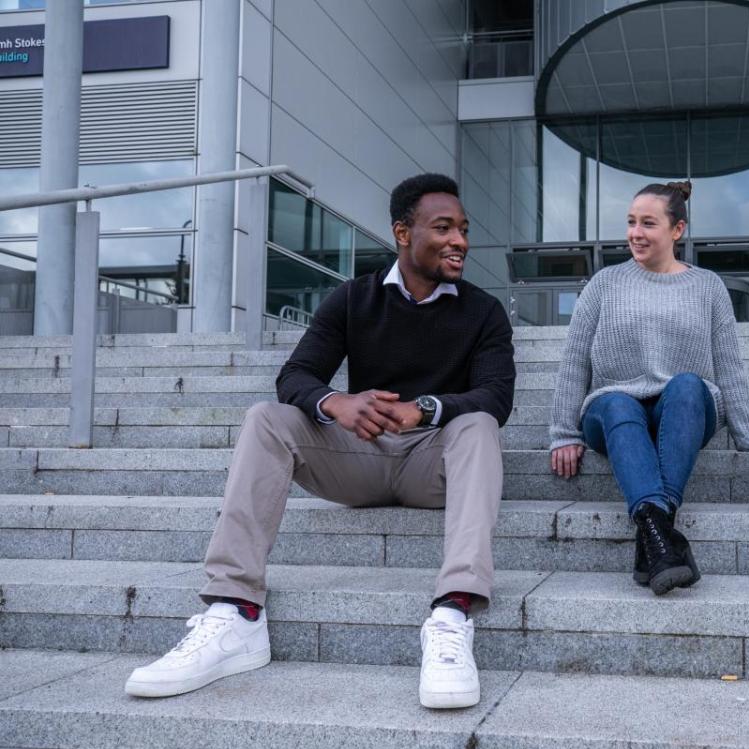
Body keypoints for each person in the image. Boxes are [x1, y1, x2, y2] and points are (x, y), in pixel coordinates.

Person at [124, 173, 515, 710]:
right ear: (403, 232)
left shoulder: (483, 310)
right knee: (267, 417)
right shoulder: (352, 298)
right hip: (359, 458)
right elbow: (296, 376)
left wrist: (423, 409)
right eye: (443, 228)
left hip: (434, 463)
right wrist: (338, 404)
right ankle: (235, 612)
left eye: (464, 230)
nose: (460, 241)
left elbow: (496, 396)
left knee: (478, 424)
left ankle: (452, 612)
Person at [550, 180, 749, 595]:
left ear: (676, 230)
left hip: (681, 411)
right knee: (617, 402)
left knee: (688, 385)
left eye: (647, 223)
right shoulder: (603, 284)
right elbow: (574, 362)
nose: (635, 233)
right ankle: (661, 535)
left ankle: (654, 533)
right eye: (630, 223)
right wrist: (563, 433)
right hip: (611, 414)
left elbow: (729, 366)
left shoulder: (708, 286)